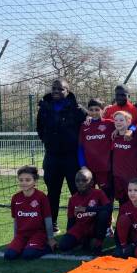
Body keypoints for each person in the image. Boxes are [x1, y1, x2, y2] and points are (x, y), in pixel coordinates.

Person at [36, 77, 87, 233]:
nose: (56, 91)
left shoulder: (78, 110)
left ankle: (79, 226)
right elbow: (40, 129)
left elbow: (87, 128)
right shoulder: (44, 107)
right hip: (52, 157)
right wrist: (50, 143)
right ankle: (53, 226)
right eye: (54, 88)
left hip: (71, 158)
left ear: (68, 90)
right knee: (52, 192)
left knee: (77, 193)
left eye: (61, 89)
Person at [5, 165, 56, 260]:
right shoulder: (15, 198)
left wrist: (50, 238)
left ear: (35, 181)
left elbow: (47, 218)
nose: (24, 183)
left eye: (28, 180)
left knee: (28, 255)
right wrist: (15, 238)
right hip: (22, 235)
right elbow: (15, 220)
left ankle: (47, 248)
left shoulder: (41, 197)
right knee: (9, 255)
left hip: (38, 234)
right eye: (21, 180)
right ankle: (24, 246)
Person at [58, 169, 112, 255]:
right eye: (77, 181)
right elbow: (71, 221)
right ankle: (84, 241)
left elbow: (108, 208)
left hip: (95, 227)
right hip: (81, 228)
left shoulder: (98, 193)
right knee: (63, 246)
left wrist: (86, 209)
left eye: (84, 180)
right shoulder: (72, 199)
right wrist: (69, 236)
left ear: (91, 182)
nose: (80, 183)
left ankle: (98, 243)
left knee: (104, 214)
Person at [78, 98, 115, 198]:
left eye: (97, 109)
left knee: (107, 196)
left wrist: (125, 131)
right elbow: (80, 147)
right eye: (91, 109)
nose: (94, 112)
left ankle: (108, 214)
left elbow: (131, 126)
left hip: (105, 169)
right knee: (89, 196)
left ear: (103, 110)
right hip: (89, 169)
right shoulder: (84, 126)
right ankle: (92, 214)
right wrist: (82, 165)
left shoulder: (110, 124)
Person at [111, 111, 137, 204]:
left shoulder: (134, 136)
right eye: (116, 120)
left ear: (128, 122)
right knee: (122, 202)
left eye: (121, 120)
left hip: (131, 177)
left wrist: (131, 130)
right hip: (117, 176)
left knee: (133, 202)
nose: (118, 122)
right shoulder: (114, 136)